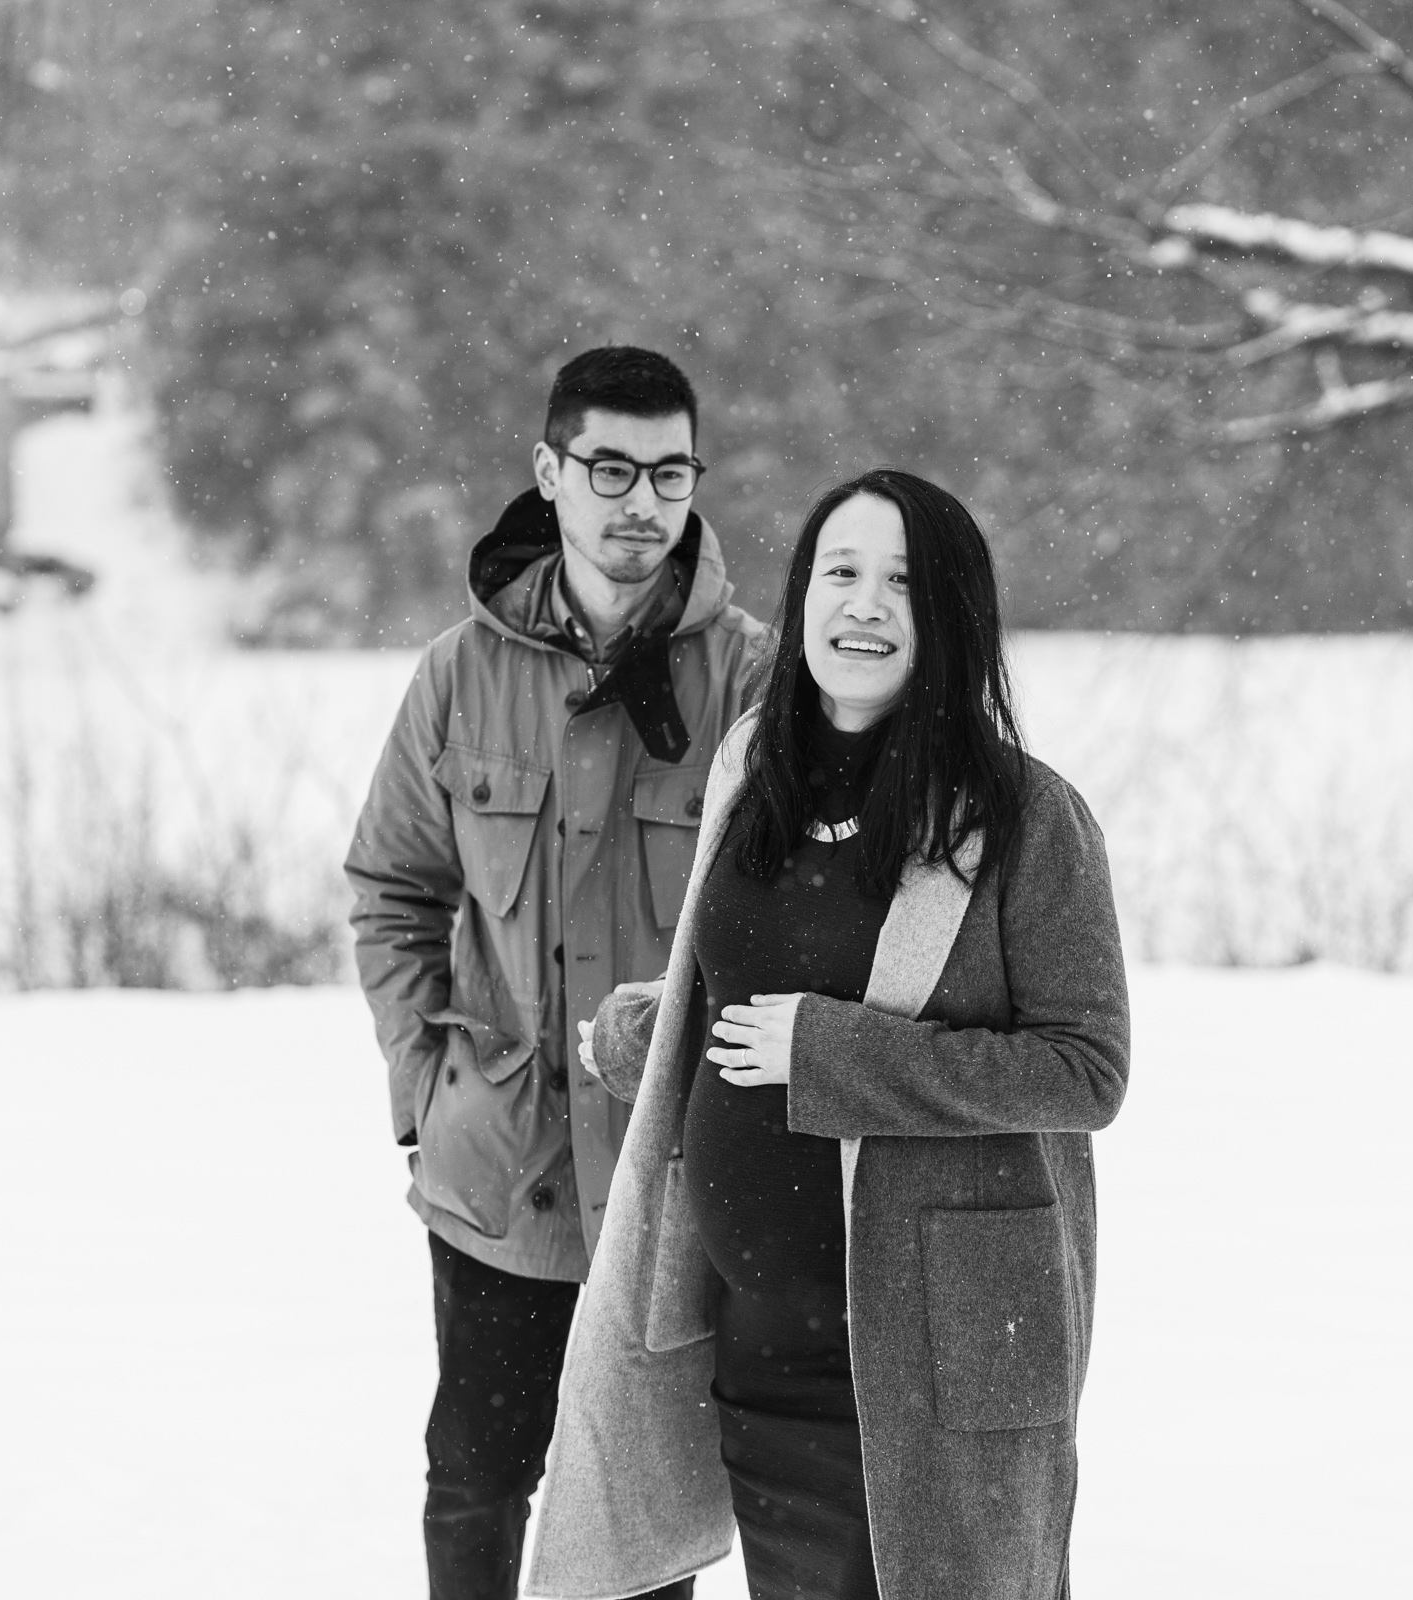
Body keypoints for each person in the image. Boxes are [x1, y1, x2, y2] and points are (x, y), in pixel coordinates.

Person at [524, 469, 1130, 1600]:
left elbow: (1082, 1068)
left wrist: (832, 1056)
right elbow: (745, 992)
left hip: (932, 1354)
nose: (864, 604)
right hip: (755, 1338)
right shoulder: (755, 771)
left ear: (951, 613)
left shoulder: (1025, 818)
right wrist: (641, 1033)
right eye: (841, 572)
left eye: (902, 582)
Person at [345, 347, 767, 1600]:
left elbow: (795, 917)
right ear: (550, 470)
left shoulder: (754, 679)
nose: (643, 502)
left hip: (669, 1175)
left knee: (638, 1510)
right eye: (611, 469)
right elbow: (394, 888)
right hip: (500, 1169)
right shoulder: (460, 674)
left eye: (670, 473)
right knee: (475, 1480)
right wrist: (426, 1086)